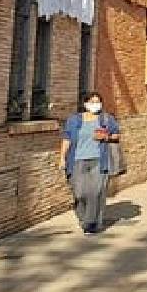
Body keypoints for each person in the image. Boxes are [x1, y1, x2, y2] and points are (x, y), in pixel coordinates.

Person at [60, 91, 121, 235]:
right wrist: (62, 157)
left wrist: (106, 137)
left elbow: (117, 135)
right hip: (77, 160)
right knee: (80, 192)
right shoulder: (74, 120)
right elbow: (66, 138)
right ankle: (84, 217)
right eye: (92, 102)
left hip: (99, 160)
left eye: (98, 102)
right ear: (85, 103)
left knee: (95, 192)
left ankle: (91, 223)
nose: (95, 105)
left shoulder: (106, 119)